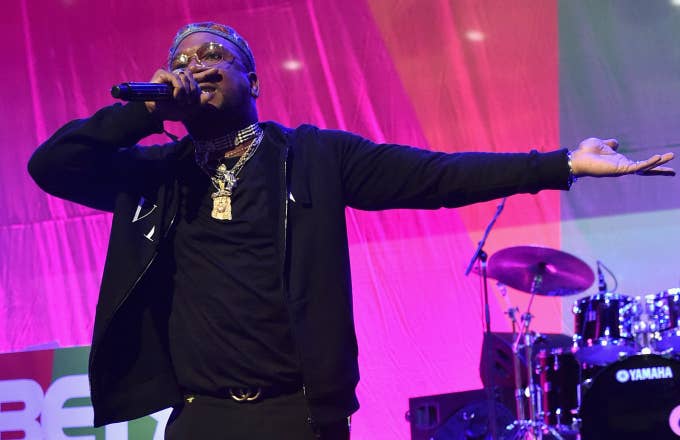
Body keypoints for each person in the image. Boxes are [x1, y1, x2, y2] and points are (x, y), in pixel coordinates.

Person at [27, 22, 674, 440]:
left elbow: (437, 177)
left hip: (301, 416)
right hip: (200, 417)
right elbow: (51, 165)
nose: (195, 65)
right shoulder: (155, 176)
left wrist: (561, 165)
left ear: (253, 80)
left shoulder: (315, 157)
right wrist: (144, 112)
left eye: (214, 55)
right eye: (181, 60)